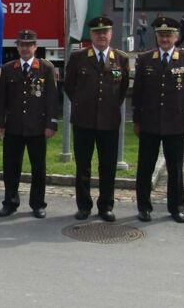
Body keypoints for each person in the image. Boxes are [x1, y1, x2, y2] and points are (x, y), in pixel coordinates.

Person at [132, 17, 184, 223]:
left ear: (176, 37)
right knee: (145, 168)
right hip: (150, 123)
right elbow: (138, 94)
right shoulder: (145, 59)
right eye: (161, 35)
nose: (165, 39)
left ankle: (176, 208)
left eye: (169, 35)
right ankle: (144, 207)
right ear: (156, 36)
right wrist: (137, 120)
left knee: (175, 168)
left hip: (176, 123)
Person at [64, 16, 130, 222]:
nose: (101, 36)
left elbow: (122, 89)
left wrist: (108, 107)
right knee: (83, 166)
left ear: (111, 34)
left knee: (108, 166)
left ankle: (106, 206)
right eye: (97, 32)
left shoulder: (121, 58)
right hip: (83, 120)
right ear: (91, 35)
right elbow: (69, 86)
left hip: (109, 121)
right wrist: (83, 104)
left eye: (105, 32)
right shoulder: (79, 57)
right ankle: (84, 206)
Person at [0, 29, 58, 219]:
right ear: (17, 47)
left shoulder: (45, 68)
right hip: (13, 126)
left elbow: (52, 99)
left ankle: (38, 204)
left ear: (35, 47)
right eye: (21, 45)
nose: (24, 48)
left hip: (37, 126)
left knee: (38, 168)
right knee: (10, 168)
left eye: (28, 45)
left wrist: (51, 124)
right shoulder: (8, 69)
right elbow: (1, 99)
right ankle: (10, 202)